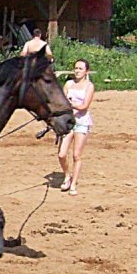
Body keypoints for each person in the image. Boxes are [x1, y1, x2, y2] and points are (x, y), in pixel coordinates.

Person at [58, 59, 95, 196]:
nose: (77, 71)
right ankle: (67, 175)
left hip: (81, 122)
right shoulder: (69, 83)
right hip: (68, 123)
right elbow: (61, 101)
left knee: (76, 155)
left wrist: (71, 103)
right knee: (62, 154)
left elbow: (84, 106)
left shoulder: (89, 86)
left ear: (86, 71)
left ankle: (73, 184)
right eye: (76, 68)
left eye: (80, 68)